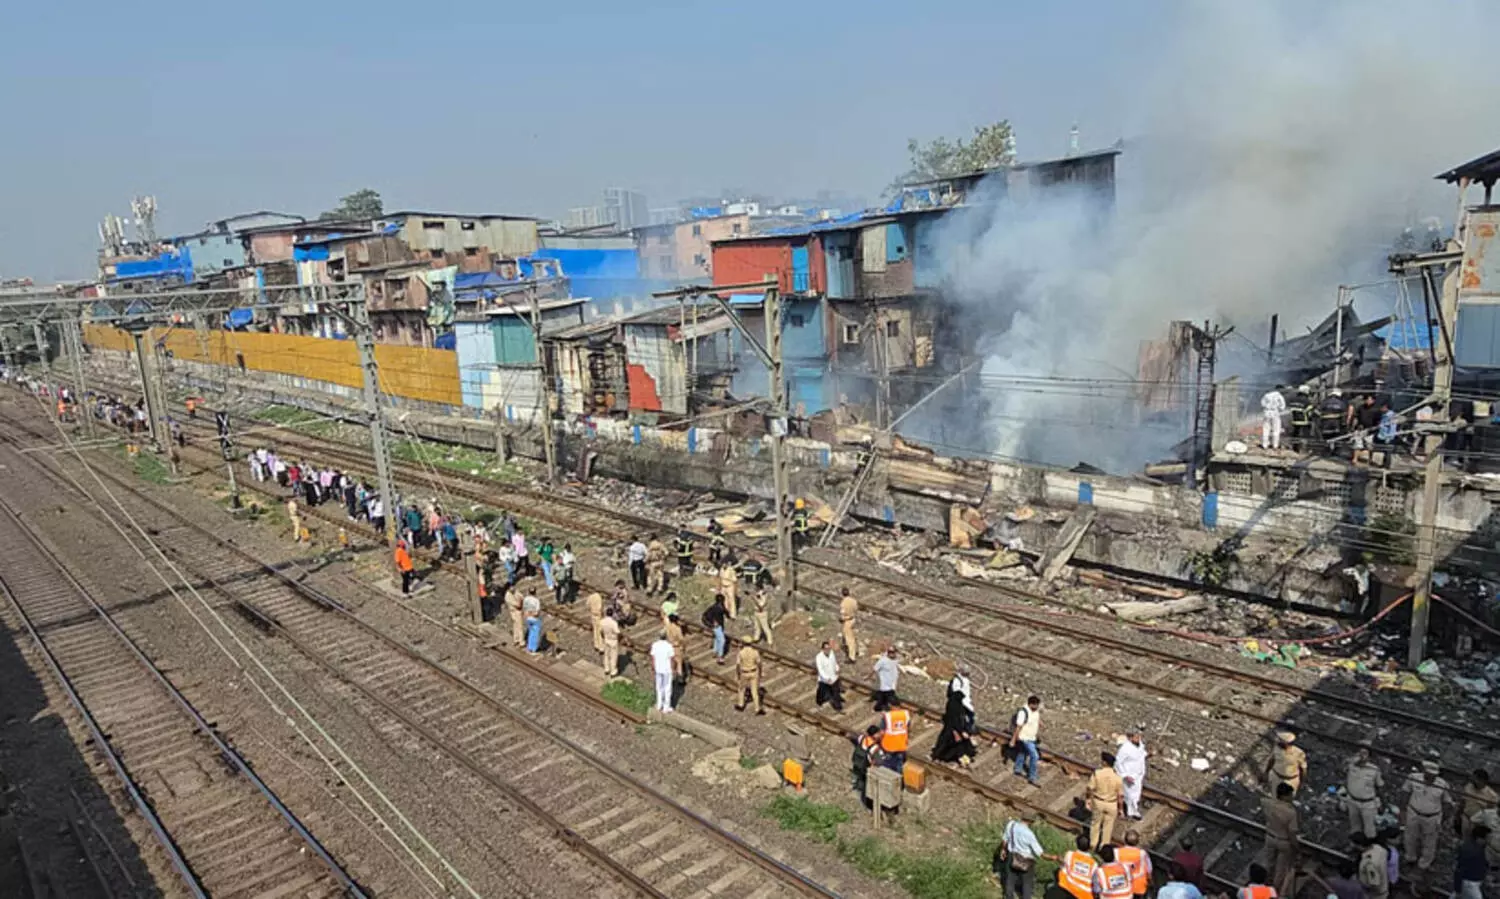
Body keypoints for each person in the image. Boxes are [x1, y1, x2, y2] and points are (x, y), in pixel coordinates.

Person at [1405, 760, 1451, 880]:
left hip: (1432, 817)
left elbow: (1447, 802)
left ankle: (1423, 865)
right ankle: (1410, 858)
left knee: (1429, 842)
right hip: (1413, 812)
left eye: (1433, 776)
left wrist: (1443, 819)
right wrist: (1402, 811)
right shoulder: (1413, 777)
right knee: (1410, 836)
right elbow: (1405, 792)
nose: (1430, 778)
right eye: (1428, 775)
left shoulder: (1442, 784)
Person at [997, 810, 1053, 899]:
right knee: (1027, 884)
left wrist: (1003, 850)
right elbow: (1041, 854)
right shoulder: (1029, 834)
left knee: (1010, 880)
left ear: (1022, 817)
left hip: (1012, 856)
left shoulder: (1011, 825)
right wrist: (1055, 857)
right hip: (1026, 861)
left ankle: (1008, 897)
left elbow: (1005, 840)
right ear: (1031, 821)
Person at [1263, 782, 1300, 898]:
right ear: (1285, 796)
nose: (1292, 797)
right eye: (1290, 795)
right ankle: (1273, 892)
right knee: (1280, 870)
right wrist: (1296, 848)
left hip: (1270, 837)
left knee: (1269, 863)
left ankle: (1264, 885)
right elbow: (1292, 833)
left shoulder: (1267, 804)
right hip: (1283, 841)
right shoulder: (1290, 812)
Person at [1087, 751, 1125, 849]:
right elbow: (1120, 796)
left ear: (1104, 763)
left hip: (1099, 801)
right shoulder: (1117, 778)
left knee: (1095, 824)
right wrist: (1120, 809)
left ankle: (1093, 844)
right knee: (1108, 827)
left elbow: (1090, 788)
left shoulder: (1097, 773)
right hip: (1112, 804)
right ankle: (1104, 846)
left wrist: (1088, 799)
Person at [1346, 745, 1385, 840]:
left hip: (1368, 804)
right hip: (1352, 800)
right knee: (1355, 826)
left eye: (1364, 753)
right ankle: (1356, 844)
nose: (1362, 755)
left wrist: (1381, 803)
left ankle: (1371, 847)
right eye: (1360, 753)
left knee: (1370, 829)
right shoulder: (1351, 765)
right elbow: (1341, 767)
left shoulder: (1374, 769)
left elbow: (1380, 786)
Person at [931, 685, 976, 766]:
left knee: (950, 744)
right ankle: (940, 756)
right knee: (950, 744)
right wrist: (960, 731)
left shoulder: (953, 704)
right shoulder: (956, 706)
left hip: (951, 728)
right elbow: (955, 720)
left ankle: (941, 756)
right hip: (953, 729)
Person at [1115, 729, 1148, 819]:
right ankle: (1132, 811)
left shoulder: (1140, 745)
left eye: (1139, 736)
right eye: (1136, 737)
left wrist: (1150, 754)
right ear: (1130, 738)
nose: (1138, 738)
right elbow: (1118, 762)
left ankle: (1132, 809)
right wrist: (1125, 775)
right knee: (1130, 794)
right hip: (1129, 775)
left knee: (1136, 794)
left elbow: (1141, 756)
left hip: (1138, 774)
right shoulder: (1125, 749)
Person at [1011, 695, 1042, 786]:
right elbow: (1019, 726)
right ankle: (1032, 777)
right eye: (1036, 705)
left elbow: (1036, 718)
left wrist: (1040, 724)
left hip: (1032, 737)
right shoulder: (1023, 712)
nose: (1037, 707)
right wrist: (1013, 739)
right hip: (1025, 738)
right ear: (1030, 704)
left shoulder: (1035, 711)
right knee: (1034, 756)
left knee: (1023, 752)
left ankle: (1018, 769)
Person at [1059, 834, 1101, 899]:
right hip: (1085, 895)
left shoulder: (1070, 854)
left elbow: (1062, 868)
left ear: (1077, 844)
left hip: (1068, 889)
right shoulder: (1094, 864)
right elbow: (1096, 886)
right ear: (1089, 847)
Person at [1266, 731, 1308, 795]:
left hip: (1290, 780)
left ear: (1286, 743)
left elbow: (1303, 769)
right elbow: (1272, 760)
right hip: (1276, 776)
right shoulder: (1276, 748)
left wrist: (1302, 782)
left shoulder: (1299, 753)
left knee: (1287, 796)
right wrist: (1266, 772)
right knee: (1273, 792)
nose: (1277, 741)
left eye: (1280, 740)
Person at [1455, 825, 1490, 899]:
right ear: (1479, 838)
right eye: (1487, 838)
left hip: (1473, 882)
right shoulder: (1471, 852)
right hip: (1470, 883)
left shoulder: (1476, 847)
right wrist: (1457, 888)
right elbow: (1460, 869)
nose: (1488, 840)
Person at [1460, 769, 1497, 840]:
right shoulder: (1468, 787)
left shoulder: (1492, 795)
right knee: (1465, 839)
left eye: (1475, 779)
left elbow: (1492, 813)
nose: (1473, 780)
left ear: (1483, 781)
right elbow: (1463, 801)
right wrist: (1458, 815)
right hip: (1466, 818)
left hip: (1479, 824)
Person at [1116, 830, 1152, 899]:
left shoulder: (1117, 852)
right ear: (1137, 841)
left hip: (1121, 887)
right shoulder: (1143, 853)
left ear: (1125, 840)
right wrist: (1150, 881)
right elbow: (1149, 870)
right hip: (1138, 888)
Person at [734, 639, 764, 714]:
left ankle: (741, 705)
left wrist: (738, 674)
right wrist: (760, 672)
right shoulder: (755, 652)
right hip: (754, 672)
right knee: (754, 691)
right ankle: (757, 708)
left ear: (743, 643)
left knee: (741, 689)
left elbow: (738, 664)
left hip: (744, 672)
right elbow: (759, 663)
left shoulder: (741, 653)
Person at [1356, 833, 1390, 899]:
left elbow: (1374, 884)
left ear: (1359, 845)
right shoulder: (1378, 848)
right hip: (1384, 884)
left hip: (1376, 895)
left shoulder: (1369, 864)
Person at [879, 703, 910, 771]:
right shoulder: (905, 714)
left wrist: (880, 741)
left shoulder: (887, 716)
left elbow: (882, 732)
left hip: (889, 746)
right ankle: (899, 778)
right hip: (901, 745)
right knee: (899, 764)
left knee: (888, 764)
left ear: (891, 706)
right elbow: (908, 728)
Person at [649, 633, 676, 714]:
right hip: (667, 669)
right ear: (666, 637)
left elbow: (653, 658)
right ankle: (666, 707)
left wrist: (653, 667)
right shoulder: (669, 646)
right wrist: (673, 668)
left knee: (659, 687)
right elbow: (671, 659)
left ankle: (659, 704)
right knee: (667, 688)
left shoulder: (655, 645)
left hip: (658, 669)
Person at [852, 726, 881, 797]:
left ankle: (854, 784)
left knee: (856, 773)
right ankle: (860, 792)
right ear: (874, 734)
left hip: (856, 760)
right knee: (863, 779)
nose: (879, 735)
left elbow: (856, 741)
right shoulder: (874, 746)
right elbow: (877, 760)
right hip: (865, 765)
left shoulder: (861, 738)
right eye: (878, 733)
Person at [815, 640, 844, 712]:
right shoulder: (819, 657)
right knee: (821, 692)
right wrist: (826, 678)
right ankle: (819, 702)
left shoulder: (831, 653)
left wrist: (837, 668)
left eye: (829, 648)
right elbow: (820, 670)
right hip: (824, 680)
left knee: (836, 692)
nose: (827, 650)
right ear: (822, 649)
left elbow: (834, 662)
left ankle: (838, 707)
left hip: (833, 677)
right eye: (826, 649)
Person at [703, 594, 729, 663]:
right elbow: (726, 613)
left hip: (717, 626)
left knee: (717, 638)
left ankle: (715, 651)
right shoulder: (718, 608)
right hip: (717, 627)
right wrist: (712, 624)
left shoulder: (715, 607)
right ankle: (720, 656)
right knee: (722, 640)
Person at [872, 647, 900, 711]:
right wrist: (868, 677)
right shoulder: (883, 661)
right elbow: (875, 669)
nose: (892, 654)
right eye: (890, 652)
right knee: (888, 696)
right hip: (885, 684)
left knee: (884, 698)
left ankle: (879, 707)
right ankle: (879, 707)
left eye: (893, 652)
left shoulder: (895, 659)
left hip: (891, 684)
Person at [1261, 385, 1288, 451]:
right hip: (1275, 412)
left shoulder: (1266, 395)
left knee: (1266, 429)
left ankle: (1265, 445)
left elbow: (1262, 404)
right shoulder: (1279, 396)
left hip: (1267, 413)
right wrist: (1279, 408)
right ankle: (1275, 446)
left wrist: (1267, 407)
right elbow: (1283, 406)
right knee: (1276, 429)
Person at [839, 587, 858, 662]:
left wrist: (842, 619)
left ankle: (851, 657)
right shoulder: (853, 601)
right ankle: (854, 652)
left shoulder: (843, 603)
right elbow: (856, 609)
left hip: (847, 621)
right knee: (852, 637)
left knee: (849, 639)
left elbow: (843, 613)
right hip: (853, 619)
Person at [664, 613, 686, 682]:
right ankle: (680, 678)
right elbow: (681, 639)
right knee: (679, 663)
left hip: (669, 646)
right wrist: (683, 646)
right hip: (676, 647)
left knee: (671, 663)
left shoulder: (667, 627)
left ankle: (671, 677)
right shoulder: (677, 628)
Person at [600, 612, 621, 678]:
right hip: (613, 640)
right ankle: (613, 671)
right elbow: (617, 632)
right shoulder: (613, 623)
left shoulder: (602, 621)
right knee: (613, 656)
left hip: (606, 639)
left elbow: (601, 631)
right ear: (612, 614)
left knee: (606, 655)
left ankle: (606, 669)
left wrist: (603, 637)